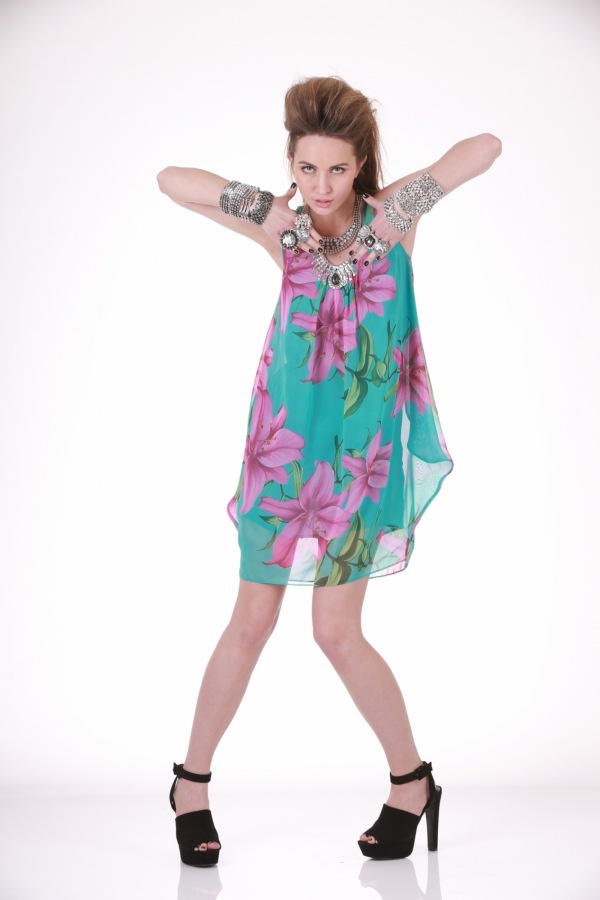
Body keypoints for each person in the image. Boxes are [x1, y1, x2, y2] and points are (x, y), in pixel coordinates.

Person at [157, 75, 502, 867]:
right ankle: (190, 786)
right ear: (290, 163)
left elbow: (485, 148)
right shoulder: (283, 232)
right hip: (283, 453)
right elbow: (172, 180)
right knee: (251, 622)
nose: (321, 186)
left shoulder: (394, 220)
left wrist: (404, 198)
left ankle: (411, 784)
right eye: (307, 168)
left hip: (362, 462)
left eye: (337, 169)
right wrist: (262, 207)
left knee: (335, 633)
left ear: (361, 165)